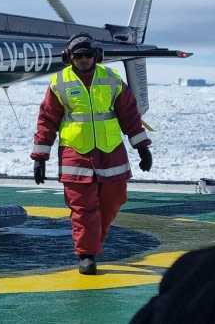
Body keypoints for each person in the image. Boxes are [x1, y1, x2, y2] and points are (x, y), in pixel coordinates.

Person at [30, 32, 153, 275]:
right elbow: (47, 121)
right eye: (78, 56)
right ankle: (87, 254)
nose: (83, 59)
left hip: (111, 154)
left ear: (96, 55)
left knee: (113, 201)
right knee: (83, 209)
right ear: (69, 57)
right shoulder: (59, 83)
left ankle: (93, 242)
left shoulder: (112, 79)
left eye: (87, 54)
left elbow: (129, 114)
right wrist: (40, 158)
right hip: (76, 155)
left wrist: (142, 146)